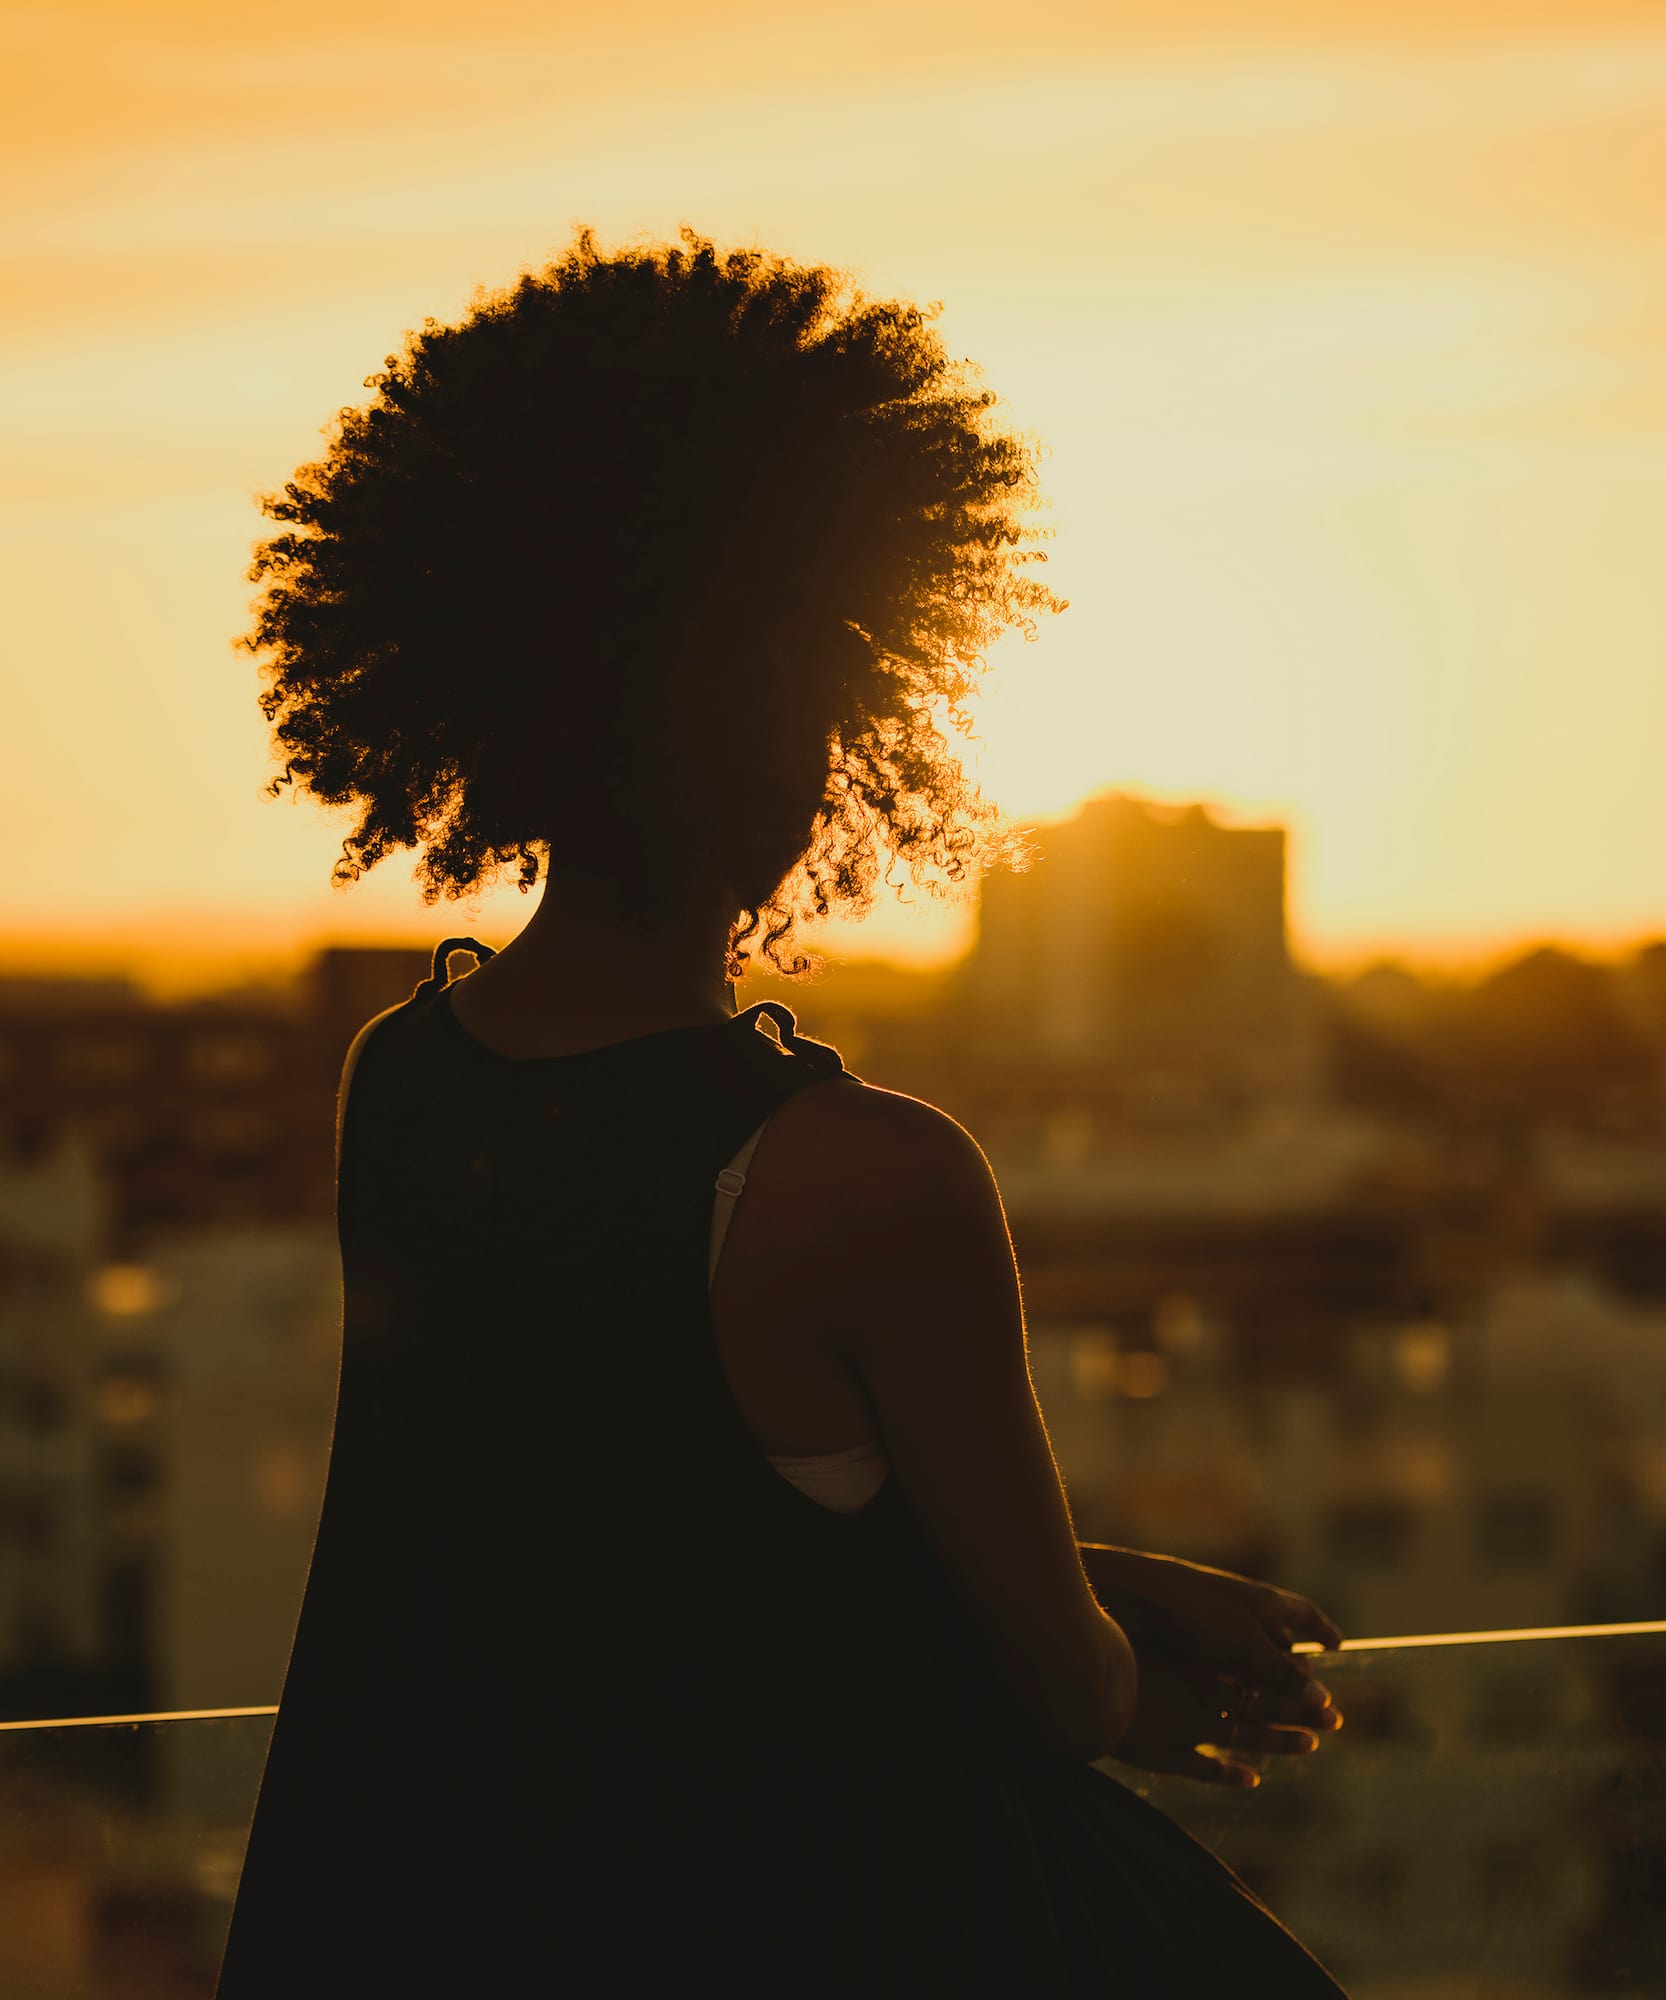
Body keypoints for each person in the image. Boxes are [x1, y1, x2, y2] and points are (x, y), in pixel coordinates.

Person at [215, 225, 1350, 1996]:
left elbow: (620, 1531)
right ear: (826, 750)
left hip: (477, 1913)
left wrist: (1073, 1567)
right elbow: (1065, 1697)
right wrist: (1122, 1642)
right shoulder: (862, 1174)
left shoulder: (403, 1078)